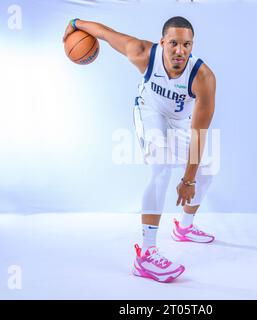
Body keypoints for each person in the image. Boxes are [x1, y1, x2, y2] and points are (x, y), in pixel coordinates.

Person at [63, 16, 216, 283]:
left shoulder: (203, 78)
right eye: (173, 44)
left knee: (207, 171)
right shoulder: (142, 52)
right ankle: (146, 255)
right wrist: (75, 23)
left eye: (186, 45)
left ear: (192, 46)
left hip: (181, 121)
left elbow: (199, 133)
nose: (180, 50)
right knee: (162, 168)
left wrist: (189, 179)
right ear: (162, 42)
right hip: (150, 111)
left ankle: (184, 228)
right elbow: (105, 32)